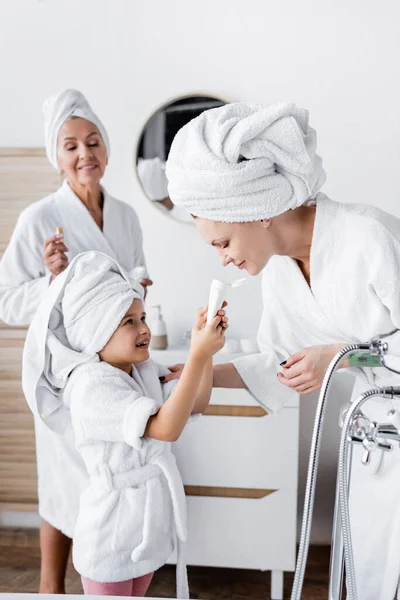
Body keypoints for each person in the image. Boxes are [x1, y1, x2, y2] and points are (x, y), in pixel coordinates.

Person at [165, 101, 400, 600]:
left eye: (222, 241)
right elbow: (280, 362)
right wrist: (193, 368)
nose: (224, 257)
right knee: (368, 577)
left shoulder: (370, 236)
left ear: (259, 211)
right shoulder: (280, 271)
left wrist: (339, 355)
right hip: (373, 444)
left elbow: (340, 355)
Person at [0, 89, 152, 594]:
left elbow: (133, 278)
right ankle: (50, 585)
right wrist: (51, 280)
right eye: (70, 146)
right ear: (57, 157)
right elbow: (6, 301)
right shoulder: (40, 219)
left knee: (109, 479)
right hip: (67, 372)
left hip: (118, 371)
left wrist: (138, 289)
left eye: (93, 142)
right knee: (66, 482)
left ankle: (111, 572)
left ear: (106, 149)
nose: (84, 154)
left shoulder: (127, 215)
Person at [22, 251, 228, 597]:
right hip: (109, 532)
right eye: (128, 321)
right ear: (96, 331)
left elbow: (197, 401)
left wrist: (205, 357)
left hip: (144, 524)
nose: (144, 328)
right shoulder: (92, 387)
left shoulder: (140, 369)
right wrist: (196, 355)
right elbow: (166, 428)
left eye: (142, 316)